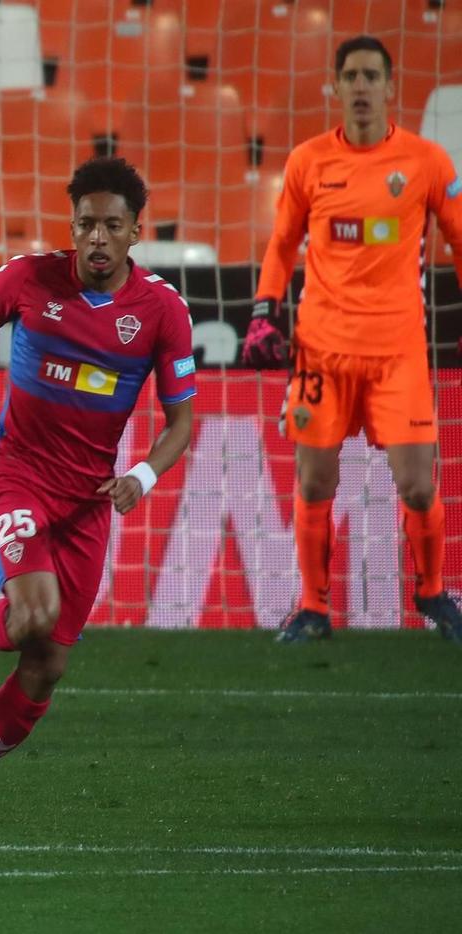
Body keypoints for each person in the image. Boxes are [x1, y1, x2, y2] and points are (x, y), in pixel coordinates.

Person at [0, 157, 197, 826]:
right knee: (34, 614)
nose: (98, 239)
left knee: (47, 664)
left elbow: (183, 420)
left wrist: (141, 475)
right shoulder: (26, 280)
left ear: (137, 230)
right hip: (16, 476)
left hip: (90, 501)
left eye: (112, 226)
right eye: (86, 225)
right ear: (71, 227)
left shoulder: (162, 311)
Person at [239, 35, 462, 644]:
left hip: (399, 352)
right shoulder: (308, 162)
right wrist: (264, 312)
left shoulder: (428, 162)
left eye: (372, 77)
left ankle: (433, 593)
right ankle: (313, 608)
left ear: (391, 87)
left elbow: (459, 233)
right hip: (322, 349)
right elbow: (282, 245)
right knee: (314, 483)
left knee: (418, 484)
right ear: (335, 87)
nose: (361, 87)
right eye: (351, 77)